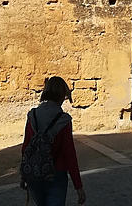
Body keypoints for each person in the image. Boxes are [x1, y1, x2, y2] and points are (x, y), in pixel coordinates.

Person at [21, 76, 86, 205]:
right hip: (57, 174)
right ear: (62, 95)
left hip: (34, 174)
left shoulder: (32, 115)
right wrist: (78, 186)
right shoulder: (63, 120)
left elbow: (26, 147)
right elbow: (69, 154)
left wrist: (24, 175)